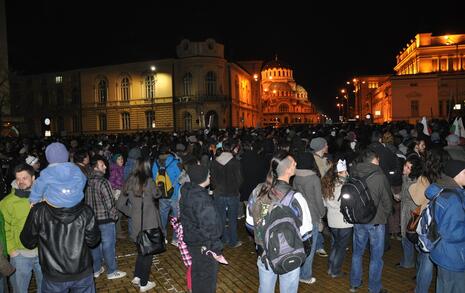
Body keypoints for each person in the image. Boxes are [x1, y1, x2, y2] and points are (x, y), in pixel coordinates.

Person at [20, 167, 100, 293]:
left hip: (54, 275)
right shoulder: (85, 210)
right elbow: (93, 241)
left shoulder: (39, 210)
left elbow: (27, 242)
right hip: (82, 272)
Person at [246, 151, 312, 293]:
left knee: (265, 289)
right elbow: (306, 234)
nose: (296, 164)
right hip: (289, 253)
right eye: (294, 163)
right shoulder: (295, 197)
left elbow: (250, 225)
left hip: (264, 254)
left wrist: (263, 240)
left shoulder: (257, 191)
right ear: (288, 170)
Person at [349, 148, 393, 293]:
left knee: (357, 252)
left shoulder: (354, 172)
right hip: (375, 221)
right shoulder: (379, 175)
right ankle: (374, 287)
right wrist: (384, 215)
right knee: (376, 257)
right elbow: (387, 200)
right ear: (375, 160)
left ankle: (355, 283)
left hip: (358, 219)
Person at [117, 157, 161, 292]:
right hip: (150, 223)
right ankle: (144, 283)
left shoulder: (129, 181)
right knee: (148, 253)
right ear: (147, 167)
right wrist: (158, 189)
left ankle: (137, 276)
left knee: (141, 250)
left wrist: (132, 213)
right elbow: (157, 195)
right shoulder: (149, 182)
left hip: (136, 224)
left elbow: (119, 204)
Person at [179, 164, 224, 293]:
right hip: (204, 243)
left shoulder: (187, 191)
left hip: (192, 239)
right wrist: (216, 249)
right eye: (208, 174)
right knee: (208, 277)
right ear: (202, 178)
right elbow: (210, 226)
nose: (210, 175)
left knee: (197, 272)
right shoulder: (202, 199)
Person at [0, 163, 43, 292]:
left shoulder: (43, 196)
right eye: (18, 178)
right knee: (20, 289)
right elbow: (4, 229)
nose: (20, 182)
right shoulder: (7, 202)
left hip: (42, 252)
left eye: (24, 178)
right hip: (20, 255)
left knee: (45, 287)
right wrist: (12, 250)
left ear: (33, 178)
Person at [424, 160, 465, 292]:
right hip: (454, 256)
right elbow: (453, 232)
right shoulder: (454, 199)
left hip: (441, 251)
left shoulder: (441, 191)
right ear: (456, 175)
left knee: (443, 286)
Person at [85, 155, 126, 280]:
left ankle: (96, 269)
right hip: (105, 219)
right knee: (108, 246)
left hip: (92, 220)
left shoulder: (86, 181)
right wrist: (114, 217)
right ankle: (112, 271)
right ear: (95, 167)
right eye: (102, 165)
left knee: (95, 246)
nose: (105, 167)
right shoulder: (103, 182)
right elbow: (110, 202)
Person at [292, 151, 324, 284]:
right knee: (310, 248)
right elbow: (318, 200)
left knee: (299, 246)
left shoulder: (295, 177)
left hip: (299, 215)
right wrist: (322, 214)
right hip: (312, 216)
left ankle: (296, 272)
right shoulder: (314, 178)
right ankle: (305, 275)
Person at [29, 142, 87, 207]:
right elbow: (83, 179)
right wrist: (75, 192)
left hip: (54, 203)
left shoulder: (47, 172)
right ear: (66, 154)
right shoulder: (75, 168)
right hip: (75, 200)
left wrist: (34, 200)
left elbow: (38, 186)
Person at [322, 159, 353, 278]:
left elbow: (325, 203)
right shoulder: (345, 185)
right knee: (341, 247)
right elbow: (348, 203)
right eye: (345, 172)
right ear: (340, 173)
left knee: (336, 244)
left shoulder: (328, 184)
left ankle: (331, 267)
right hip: (344, 221)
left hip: (332, 220)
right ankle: (335, 271)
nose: (347, 174)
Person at [210, 140, 244, 248]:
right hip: (232, 193)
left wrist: (216, 188)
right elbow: (240, 180)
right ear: (231, 148)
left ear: (223, 148)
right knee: (232, 218)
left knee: (221, 218)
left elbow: (212, 180)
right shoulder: (235, 162)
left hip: (219, 194)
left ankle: (224, 239)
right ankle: (233, 241)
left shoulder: (215, 162)